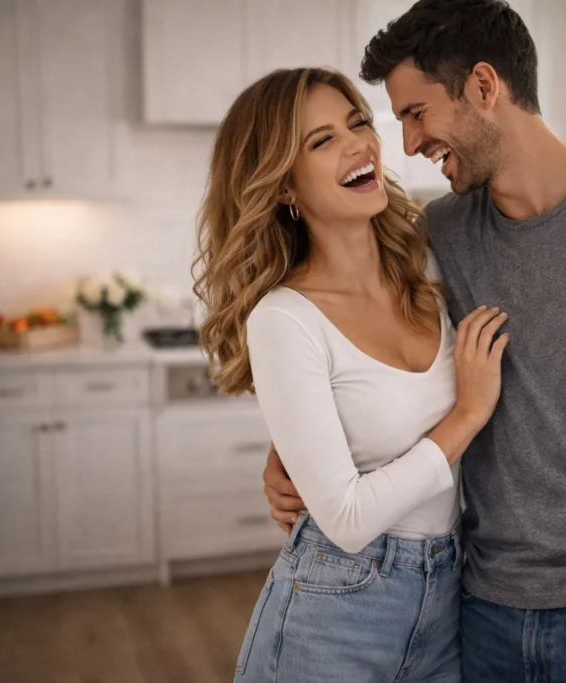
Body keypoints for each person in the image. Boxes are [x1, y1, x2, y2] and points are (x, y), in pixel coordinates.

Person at [262, 0, 566, 680]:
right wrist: (288, 446)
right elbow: (357, 341)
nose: (407, 144)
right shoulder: (441, 235)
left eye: (416, 113)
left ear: (484, 88)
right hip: (483, 620)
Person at [193, 66, 510, 682]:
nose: (358, 144)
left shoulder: (432, 264)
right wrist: (468, 416)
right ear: (284, 185)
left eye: (358, 122)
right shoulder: (285, 318)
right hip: (334, 612)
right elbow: (347, 519)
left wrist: (304, 445)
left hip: (450, 596)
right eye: (321, 141)